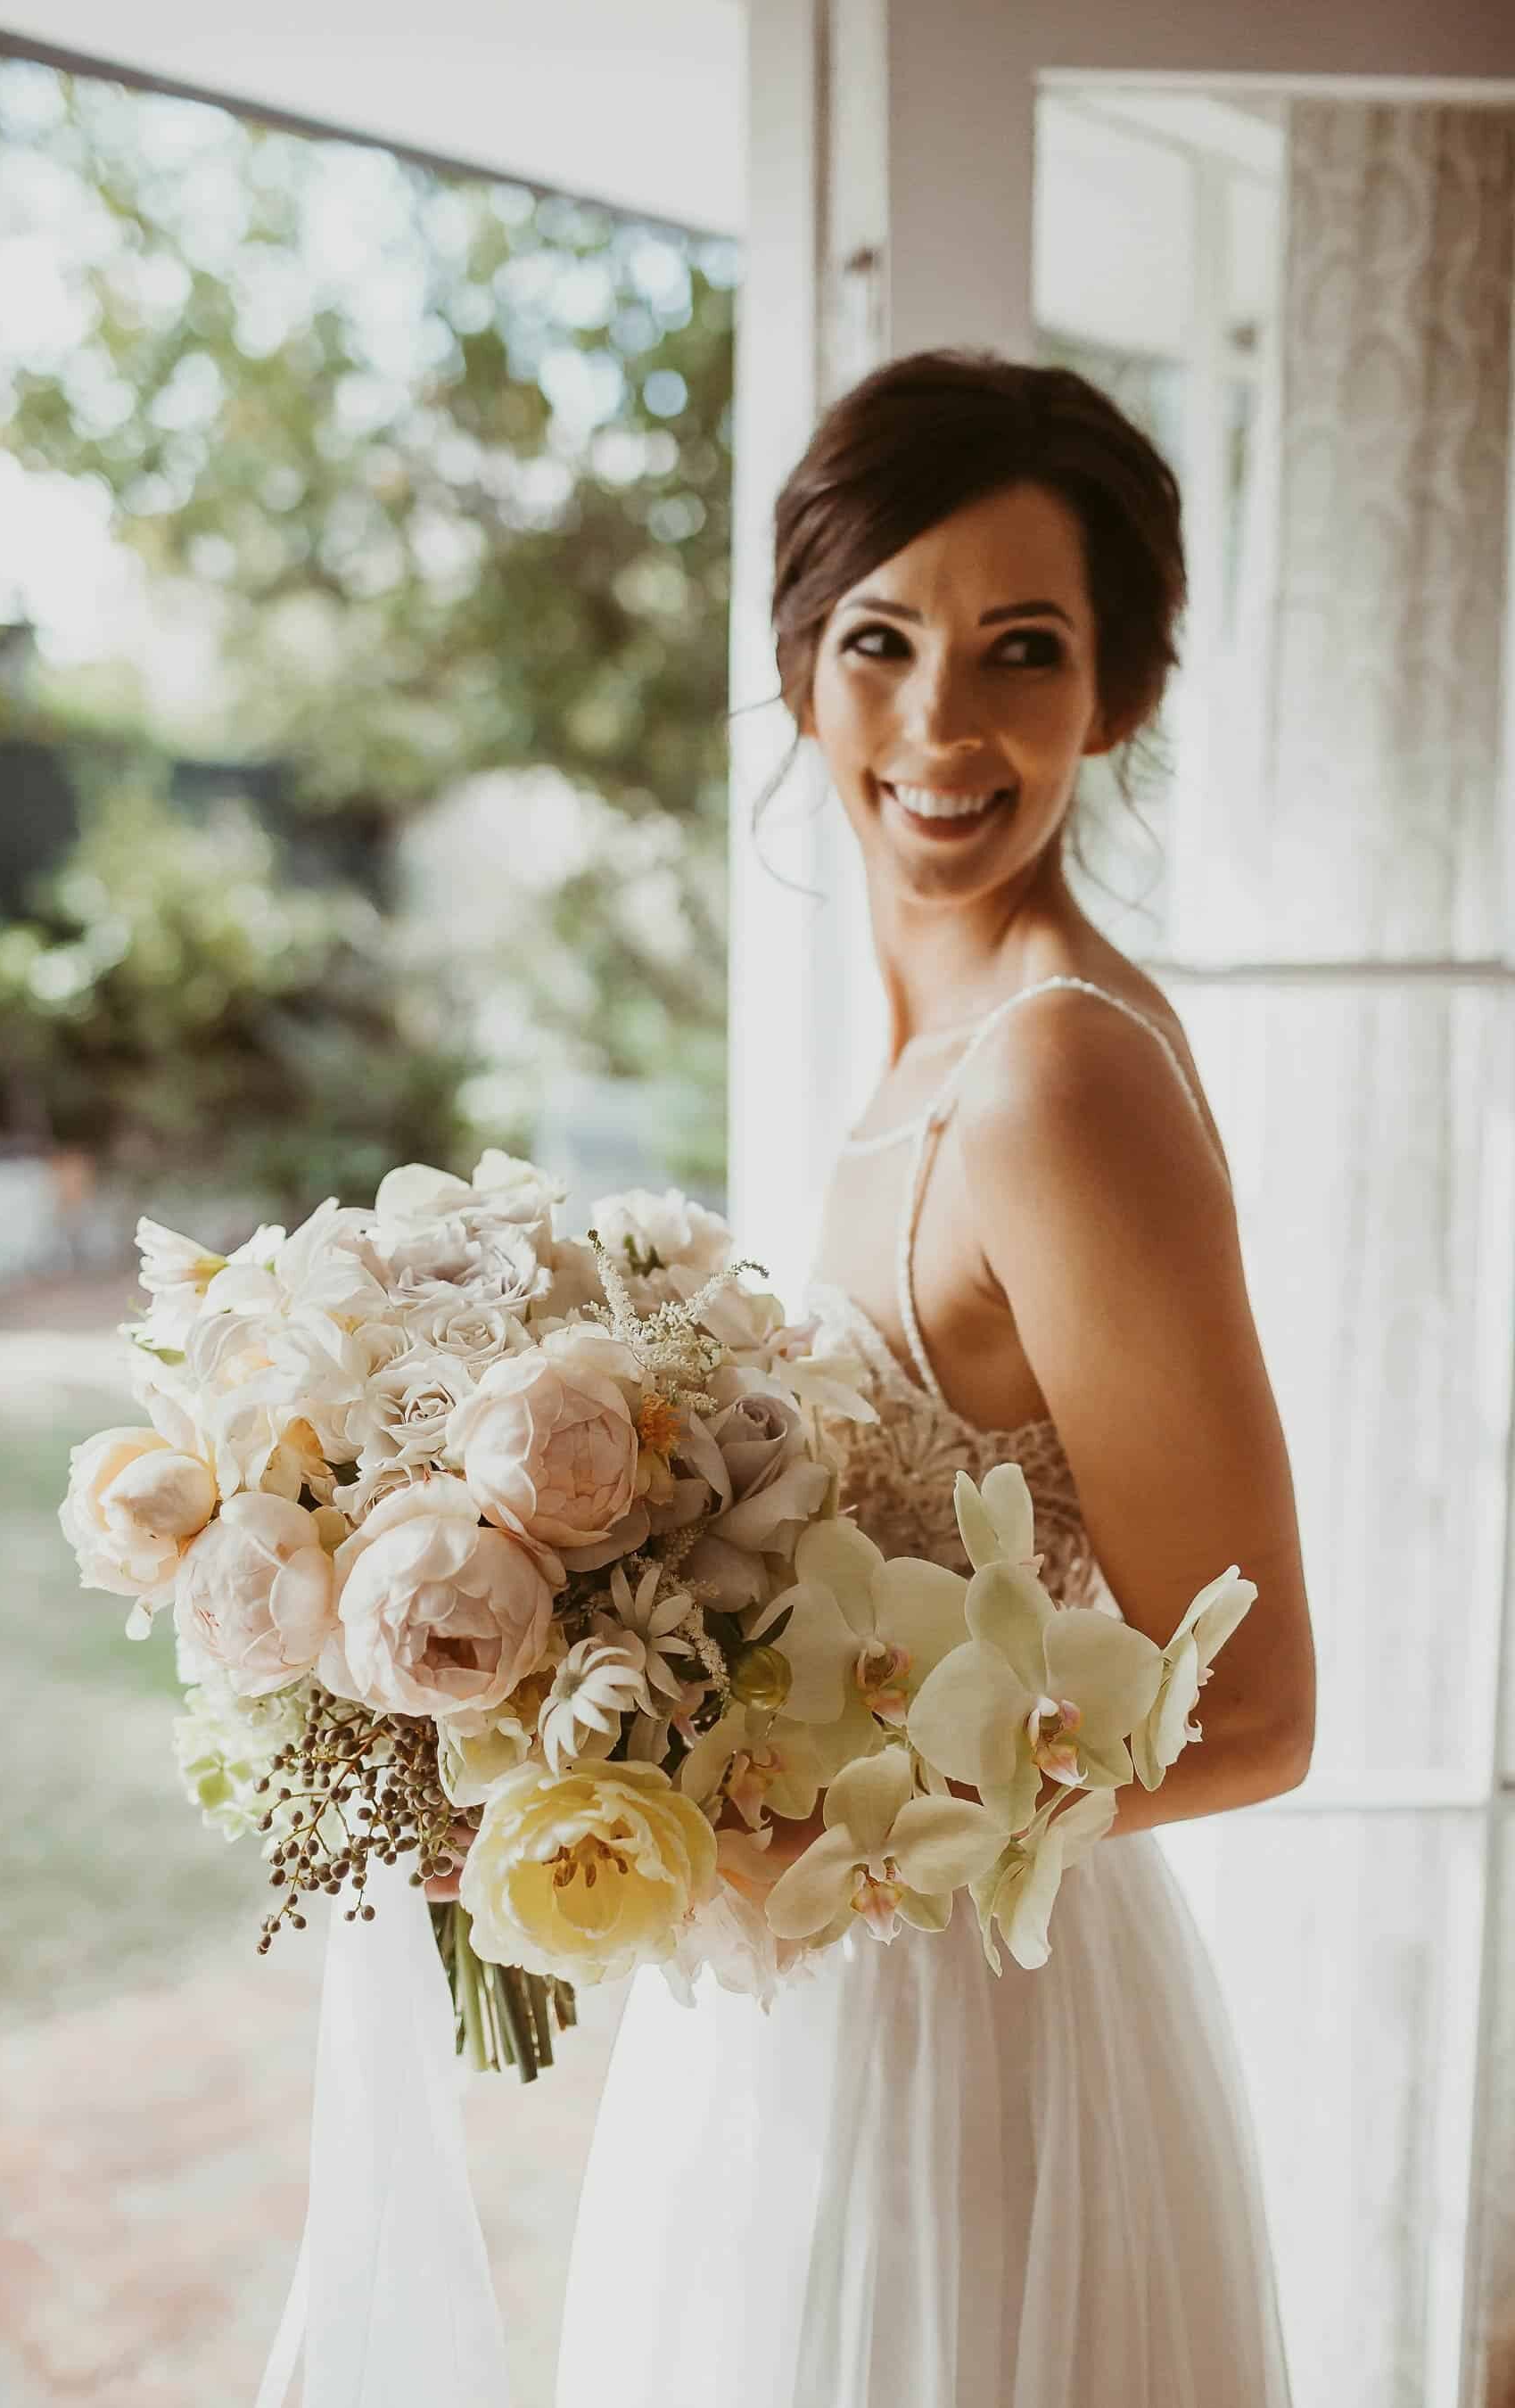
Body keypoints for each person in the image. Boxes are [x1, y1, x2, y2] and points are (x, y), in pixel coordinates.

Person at [552, 350, 1316, 2406]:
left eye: (1024, 651)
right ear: (803, 666)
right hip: (838, 1998)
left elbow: (1251, 1710)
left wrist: (804, 1842)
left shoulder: (1053, 1068)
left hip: (975, 2037)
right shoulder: (919, 1050)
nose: (941, 726)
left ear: (1123, 693)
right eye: (880, 640)